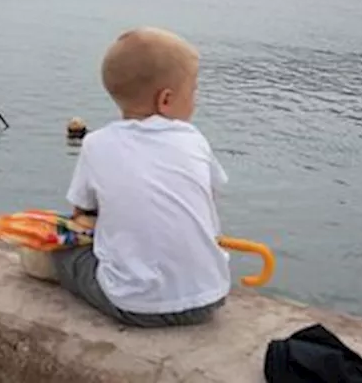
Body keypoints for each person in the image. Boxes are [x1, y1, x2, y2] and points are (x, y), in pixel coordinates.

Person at [52, 26, 230, 327]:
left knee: (61, 254)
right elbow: (209, 196)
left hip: (134, 305)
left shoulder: (96, 144)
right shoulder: (194, 139)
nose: (196, 98)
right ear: (166, 99)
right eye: (194, 90)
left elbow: (80, 216)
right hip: (210, 296)